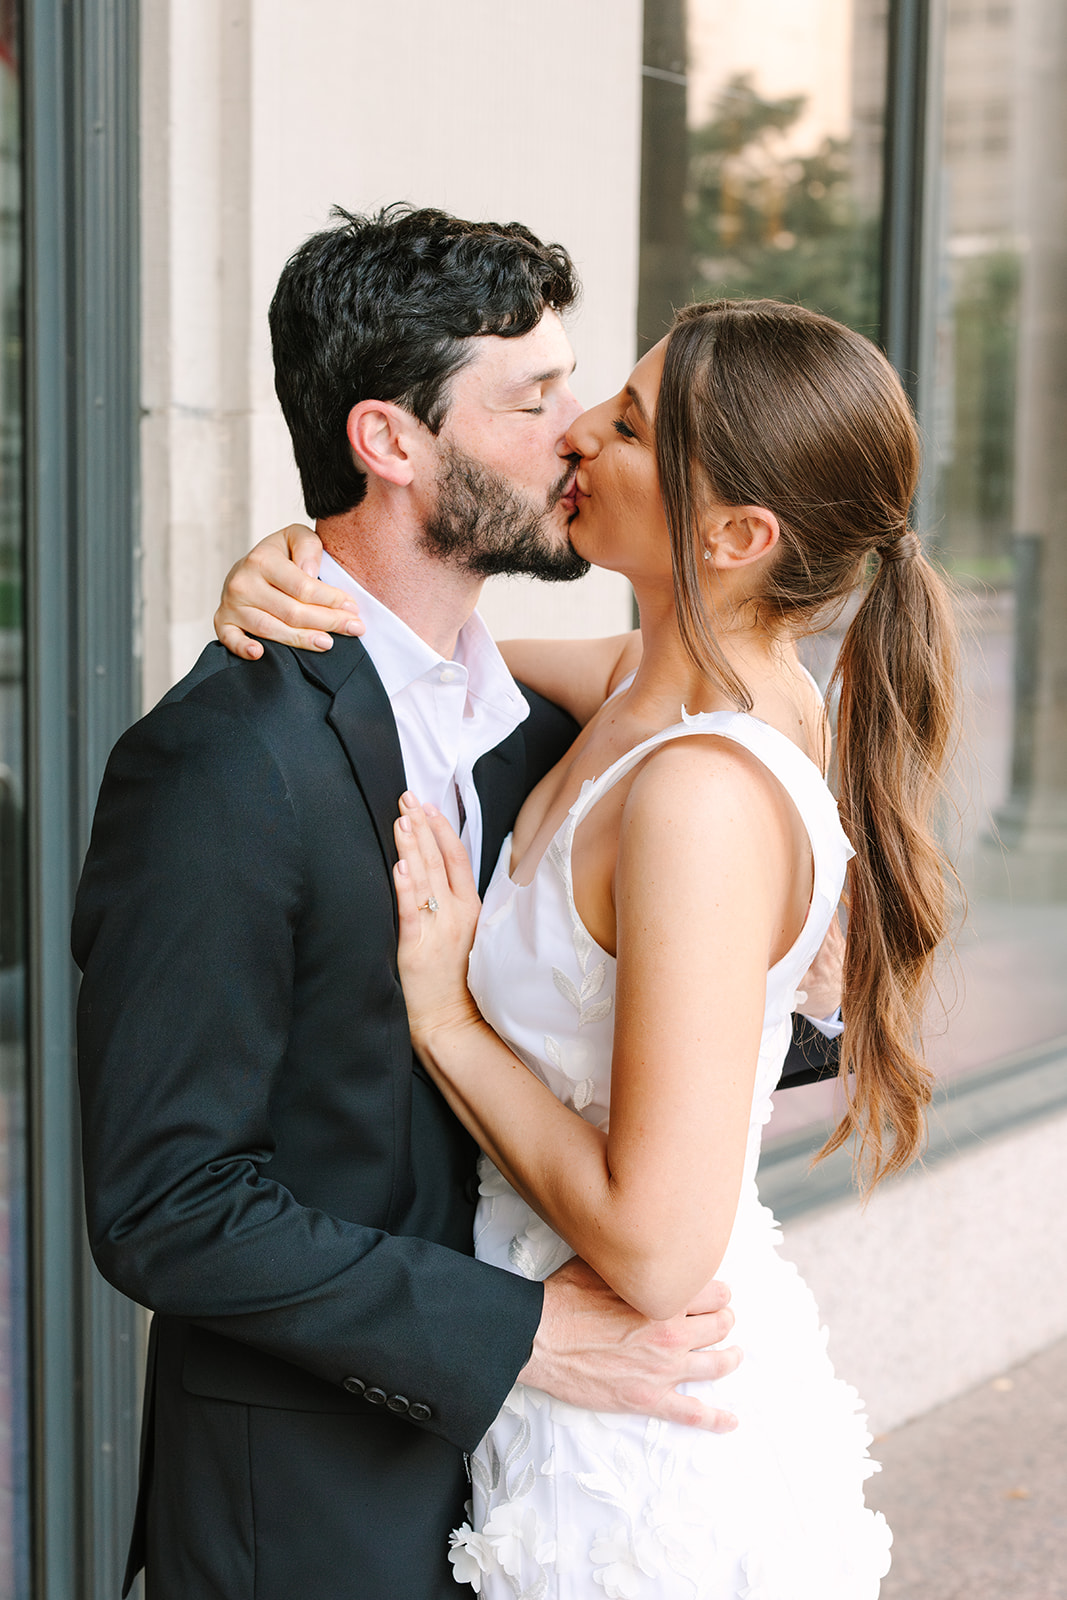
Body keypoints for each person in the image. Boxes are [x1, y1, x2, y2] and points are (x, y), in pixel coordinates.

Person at [74, 207, 833, 1600]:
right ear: (393, 441)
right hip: (315, 1515)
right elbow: (165, 1203)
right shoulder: (223, 761)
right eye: (536, 398)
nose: (580, 434)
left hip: (559, 1474)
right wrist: (520, 1333)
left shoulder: (557, 726)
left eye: (587, 394)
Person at [219, 296, 957, 1597]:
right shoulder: (636, 680)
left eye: (628, 426)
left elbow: (658, 1250)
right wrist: (292, 566)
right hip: (546, 1376)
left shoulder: (702, 793)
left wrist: (447, 1017)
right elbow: (428, 653)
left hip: (637, 1437)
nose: (577, 438)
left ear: (734, 535)